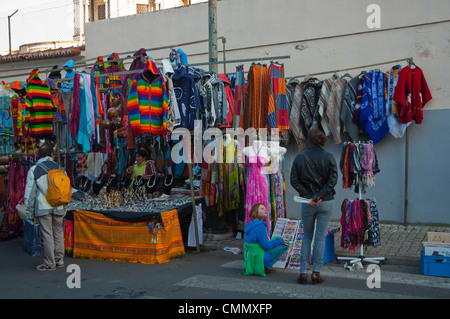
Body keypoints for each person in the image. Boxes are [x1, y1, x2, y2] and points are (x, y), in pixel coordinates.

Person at [290, 128, 338, 284]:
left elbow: (294, 181)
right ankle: (316, 273)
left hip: (308, 202)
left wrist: (309, 195)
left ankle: (303, 272)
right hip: (326, 201)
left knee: (307, 237)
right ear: (323, 140)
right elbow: (332, 181)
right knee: (320, 238)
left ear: (308, 141)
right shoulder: (329, 157)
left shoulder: (299, 158)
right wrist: (319, 195)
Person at [24, 143, 68, 271]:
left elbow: (30, 192)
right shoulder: (61, 169)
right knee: (58, 232)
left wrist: (29, 210)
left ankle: (50, 263)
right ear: (52, 155)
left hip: (43, 207)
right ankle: (59, 260)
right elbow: (66, 189)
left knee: (47, 234)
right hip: (59, 206)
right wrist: (65, 206)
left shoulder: (35, 169)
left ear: (39, 156)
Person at [243, 203, 289, 276]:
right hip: (259, 256)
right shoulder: (260, 225)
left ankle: (261, 265)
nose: (265, 210)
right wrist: (280, 241)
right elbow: (266, 245)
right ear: (256, 212)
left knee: (276, 240)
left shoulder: (250, 224)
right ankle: (266, 266)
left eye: (265, 209)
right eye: (262, 209)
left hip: (251, 256)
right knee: (285, 244)